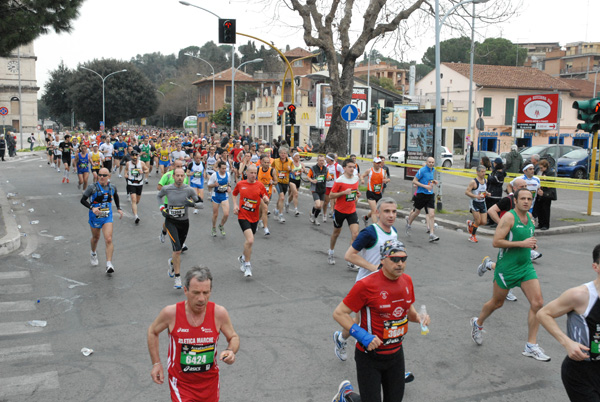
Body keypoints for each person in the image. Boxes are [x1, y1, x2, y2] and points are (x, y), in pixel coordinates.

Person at [333, 239, 430, 402]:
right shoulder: (366, 285)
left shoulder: (407, 281)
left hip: (396, 355)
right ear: (383, 259)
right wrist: (363, 336)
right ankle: (346, 395)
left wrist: (420, 318)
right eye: (395, 259)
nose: (400, 263)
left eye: (403, 259)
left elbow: (409, 313)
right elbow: (339, 313)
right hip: (369, 356)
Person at [470, 188, 551, 362]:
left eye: (529, 199)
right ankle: (478, 323)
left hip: (525, 267)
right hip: (507, 269)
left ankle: (531, 345)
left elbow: (527, 238)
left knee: (538, 303)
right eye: (523, 198)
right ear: (515, 200)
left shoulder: (529, 217)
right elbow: (496, 242)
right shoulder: (508, 218)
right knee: (497, 303)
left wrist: (531, 245)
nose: (526, 201)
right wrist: (522, 243)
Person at [147, 266, 239, 402]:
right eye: (196, 293)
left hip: (210, 383)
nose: (201, 298)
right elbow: (152, 332)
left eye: (205, 293)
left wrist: (230, 351)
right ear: (185, 290)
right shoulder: (171, 313)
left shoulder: (219, 313)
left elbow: (233, 337)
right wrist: (156, 363)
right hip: (181, 384)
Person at [537, 244, 600, 401]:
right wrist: (567, 343)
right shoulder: (580, 295)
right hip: (582, 371)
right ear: (595, 267)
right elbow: (543, 314)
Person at [157, 168, 201, 289]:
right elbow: (158, 196)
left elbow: (200, 204)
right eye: (177, 175)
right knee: (177, 250)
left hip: (184, 223)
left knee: (179, 250)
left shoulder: (189, 189)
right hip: (171, 222)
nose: (180, 178)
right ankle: (177, 278)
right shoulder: (167, 188)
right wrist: (162, 209)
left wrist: (192, 204)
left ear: (185, 177)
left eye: (182, 176)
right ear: (174, 176)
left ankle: (172, 262)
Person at [80, 167, 124, 273]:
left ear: (109, 176)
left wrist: (118, 208)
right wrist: (92, 208)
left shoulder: (112, 187)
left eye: (104, 175)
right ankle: (93, 252)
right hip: (95, 216)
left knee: (108, 239)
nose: (102, 177)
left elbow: (116, 196)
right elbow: (82, 200)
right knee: (96, 238)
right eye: (100, 175)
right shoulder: (92, 187)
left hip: (107, 216)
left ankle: (109, 264)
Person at [232, 164, 269, 277]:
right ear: (246, 173)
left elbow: (265, 196)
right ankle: (247, 266)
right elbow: (234, 194)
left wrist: (266, 199)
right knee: (251, 240)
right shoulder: (241, 184)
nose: (253, 175)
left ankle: (242, 258)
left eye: (255, 173)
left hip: (254, 217)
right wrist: (235, 205)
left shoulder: (259, 185)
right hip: (243, 216)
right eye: (251, 173)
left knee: (249, 242)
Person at [328, 158, 361, 266]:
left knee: (355, 234)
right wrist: (343, 192)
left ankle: (350, 259)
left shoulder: (356, 178)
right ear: (344, 168)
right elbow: (331, 195)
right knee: (336, 233)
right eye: (350, 167)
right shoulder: (339, 180)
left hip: (351, 210)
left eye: (353, 167)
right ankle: (331, 252)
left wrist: (357, 194)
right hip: (340, 211)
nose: (352, 169)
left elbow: (354, 191)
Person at [405, 157, 439, 242]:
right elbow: (414, 181)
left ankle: (431, 234)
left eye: (432, 162)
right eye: (429, 162)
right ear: (426, 162)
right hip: (421, 194)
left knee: (431, 214)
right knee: (417, 212)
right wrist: (425, 186)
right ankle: (409, 223)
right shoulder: (422, 170)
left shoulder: (433, 170)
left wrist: (433, 181)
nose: (431, 163)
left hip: (430, 194)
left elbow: (428, 180)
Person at [360, 157, 390, 225]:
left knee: (376, 210)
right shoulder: (369, 170)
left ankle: (365, 217)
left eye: (380, 162)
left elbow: (388, 179)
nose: (378, 164)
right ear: (373, 163)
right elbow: (362, 175)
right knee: (374, 211)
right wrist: (362, 179)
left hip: (379, 193)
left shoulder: (383, 171)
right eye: (377, 163)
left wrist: (386, 181)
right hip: (370, 192)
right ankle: (376, 228)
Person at [207, 161, 231, 237]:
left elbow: (228, 183)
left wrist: (229, 187)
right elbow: (209, 185)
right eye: (222, 168)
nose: (224, 170)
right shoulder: (214, 175)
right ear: (219, 168)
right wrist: (214, 185)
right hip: (216, 196)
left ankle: (221, 225)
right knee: (215, 214)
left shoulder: (228, 174)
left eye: (225, 168)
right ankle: (214, 228)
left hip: (224, 195)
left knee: (226, 214)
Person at [465, 165, 488, 243]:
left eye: (484, 171)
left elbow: (483, 190)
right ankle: (472, 236)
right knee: (478, 221)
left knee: (484, 222)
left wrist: (487, 193)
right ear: (477, 172)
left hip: (482, 202)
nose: (483, 173)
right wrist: (476, 196)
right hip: (474, 203)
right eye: (482, 172)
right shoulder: (473, 182)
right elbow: (467, 192)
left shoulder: (485, 180)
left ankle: (471, 224)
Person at [125, 150, 149, 225]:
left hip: (139, 183)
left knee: (137, 201)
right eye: (133, 156)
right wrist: (125, 174)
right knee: (134, 199)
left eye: (136, 155)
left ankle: (133, 207)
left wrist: (143, 172)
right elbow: (126, 170)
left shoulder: (141, 163)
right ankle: (136, 216)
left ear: (138, 156)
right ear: (131, 156)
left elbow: (147, 169)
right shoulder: (128, 163)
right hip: (131, 183)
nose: (135, 157)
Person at [271, 147, 292, 223]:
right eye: (282, 153)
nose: (283, 155)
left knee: (280, 198)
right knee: (282, 197)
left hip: (285, 182)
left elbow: (292, 170)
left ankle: (276, 210)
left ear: (287, 154)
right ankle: (280, 215)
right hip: (278, 181)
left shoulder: (290, 162)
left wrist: (290, 169)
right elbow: (272, 168)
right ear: (279, 154)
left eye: (285, 153)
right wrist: (273, 177)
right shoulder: (275, 161)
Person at [307, 155, 330, 226]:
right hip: (315, 189)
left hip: (323, 189)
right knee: (318, 204)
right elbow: (308, 177)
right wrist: (312, 180)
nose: (322, 162)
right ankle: (313, 215)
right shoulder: (313, 168)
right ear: (317, 161)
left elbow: (328, 177)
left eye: (323, 161)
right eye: (320, 161)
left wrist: (329, 177)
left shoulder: (326, 169)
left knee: (320, 206)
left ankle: (315, 217)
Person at [257, 155, 277, 236]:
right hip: (259, 193)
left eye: (268, 162)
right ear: (261, 162)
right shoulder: (258, 169)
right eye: (264, 162)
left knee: (263, 209)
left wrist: (273, 183)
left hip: (268, 193)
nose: (266, 164)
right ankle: (265, 228)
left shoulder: (272, 170)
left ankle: (258, 221)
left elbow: (276, 181)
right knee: (265, 209)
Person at [535, 159, 556, 231]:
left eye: (542, 168)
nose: (541, 169)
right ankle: (540, 223)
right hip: (539, 192)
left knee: (545, 210)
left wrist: (544, 181)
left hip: (547, 193)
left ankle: (546, 224)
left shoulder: (550, 172)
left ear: (546, 166)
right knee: (539, 209)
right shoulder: (539, 172)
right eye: (540, 168)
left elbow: (550, 183)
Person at [486, 157, 506, 226]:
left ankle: (495, 222)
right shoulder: (495, 172)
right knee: (489, 207)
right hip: (490, 192)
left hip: (496, 193)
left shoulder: (500, 173)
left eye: (494, 163)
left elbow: (494, 179)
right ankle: (490, 221)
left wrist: (489, 177)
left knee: (495, 208)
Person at [287, 152, 305, 217]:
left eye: (298, 156)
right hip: (292, 180)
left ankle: (287, 203)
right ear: (293, 157)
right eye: (296, 156)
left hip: (298, 180)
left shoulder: (301, 163)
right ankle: (296, 209)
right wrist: (292, 171)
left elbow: (305, 171)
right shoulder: (291, 163)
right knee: (296, 194)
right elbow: (289, 170)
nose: (298, 157)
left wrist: (303, 170)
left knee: (292, 195)